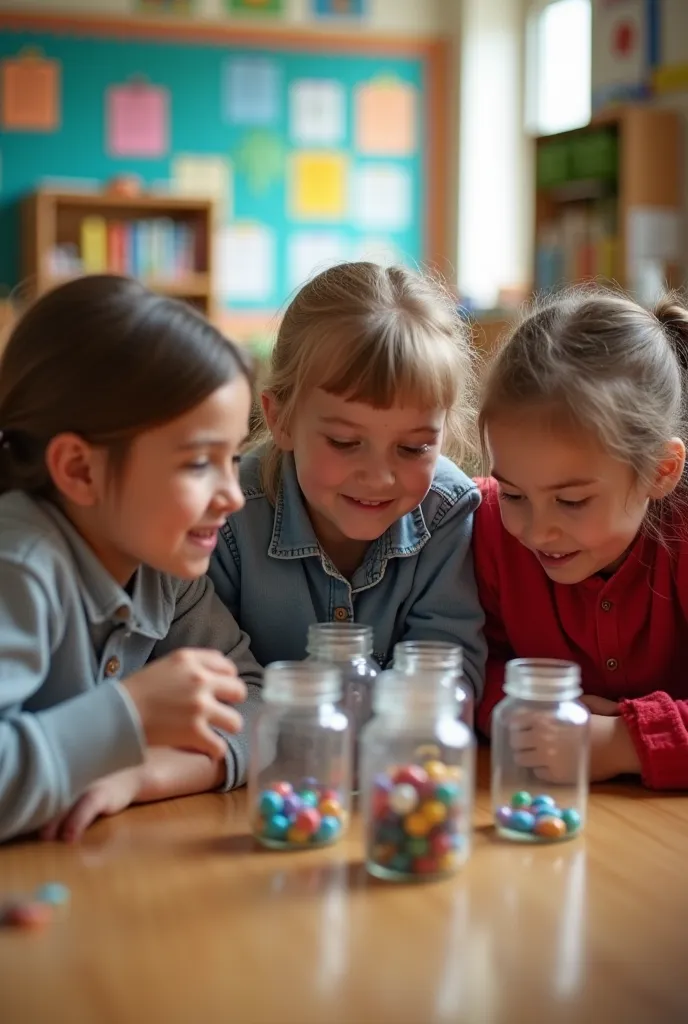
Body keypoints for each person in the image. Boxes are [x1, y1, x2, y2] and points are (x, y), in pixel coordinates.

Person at [0, 274, 262, 842]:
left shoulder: (163, 566)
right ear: (79, 470)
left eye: (235, 458)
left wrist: (142, 773)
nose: (234, 496)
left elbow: (254, 703)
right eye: (198, 463)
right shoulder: (18, 565)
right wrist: (131, 713)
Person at [209, 262, 485, 693]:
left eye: (413, 448)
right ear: (280, 418)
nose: (378, 478)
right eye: (343, 441)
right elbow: (214, 681)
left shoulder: (449, 512)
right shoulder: (226, 513)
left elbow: (451, 672)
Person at [474, 287, 688, 788]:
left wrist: (619, 745)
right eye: (514, 494)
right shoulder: (485, 525)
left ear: (662, 470)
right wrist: (533, 706)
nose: (536, 530)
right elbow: (469, 663)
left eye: (571, 501)